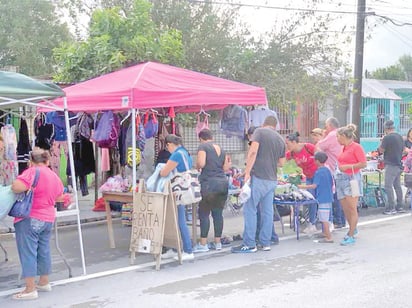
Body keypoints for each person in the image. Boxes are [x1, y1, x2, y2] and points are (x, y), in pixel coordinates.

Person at [11, 147, 64, 300]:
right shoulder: (54, 176)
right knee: (44, 250)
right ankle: (44, 282)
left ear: (31, 161)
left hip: (30, 217)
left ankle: (30, 289)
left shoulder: (32, 172)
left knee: (28, 252)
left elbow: (17, 187)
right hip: (48, 218)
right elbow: (59, 196)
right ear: (47, 161)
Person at [231, 116, 285, 253]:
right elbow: (281, 163)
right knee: (267, 212)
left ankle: (249, 244)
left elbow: (253, 151)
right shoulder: (280, 139)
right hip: (272, 179)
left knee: (250, 209)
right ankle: (265, 242)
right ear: (275, 125)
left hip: (259, 177)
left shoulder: (259, 132)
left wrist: (247, 172)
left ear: (263, 123)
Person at [193, 129, 230, 252]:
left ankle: (203, 243)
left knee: (204, 213)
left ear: (201, 138)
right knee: (218, 214)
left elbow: (201, 163)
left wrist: (196, 166)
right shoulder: (221, 149)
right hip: (223, 183)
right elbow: (226, 168)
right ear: (211, 137)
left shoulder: (203, 146)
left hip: (209, 184)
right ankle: (217, 242)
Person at [159, 134, 194, 261]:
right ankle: (174, 248)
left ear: (169, 144)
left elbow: (164, 172)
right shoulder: (185, 152)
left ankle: (188, 250)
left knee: (179, 220)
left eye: (167, 146)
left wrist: (160, 170)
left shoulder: (176, 154)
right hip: (184, 189)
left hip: (177, 191)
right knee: (177, 220)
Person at [335, 124, 367, 246]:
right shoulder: (344, 148)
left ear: (343, 136)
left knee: (352, 207)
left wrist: (349, 167)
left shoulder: (356, 147)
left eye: (338, 137)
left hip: (352, 178)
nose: (337, 140)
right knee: (345, 207)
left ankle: (351, 234)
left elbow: (363, 163)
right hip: (341, 178)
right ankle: (352, 227)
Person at [285, 132, 318, 234]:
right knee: (310, 199)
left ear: (294, 142)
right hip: (308, 177)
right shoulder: (291, 153)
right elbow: (281, 161)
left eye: (288, 143)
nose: (287, 146)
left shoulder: (308, 147)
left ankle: (317, 222)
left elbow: (320, 156)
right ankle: (312, 222)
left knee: (318, 199)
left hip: (317, 175)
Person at [298, 151, 334, 243]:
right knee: (324, 216)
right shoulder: (327, 170)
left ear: (317, 161)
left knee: (323, 218)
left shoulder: (318, 172)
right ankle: (325, 233)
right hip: (328, 196)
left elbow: (314, 186)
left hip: (322, 197)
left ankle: (329, 237)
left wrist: (302, 187)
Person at [317, 117, 345, 229]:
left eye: (326, 125)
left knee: (335, 196)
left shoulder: (332, 135)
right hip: (341, 168)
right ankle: (341, 219)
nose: (325, 128)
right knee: (341, 196)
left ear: (330, 126)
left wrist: (322, 137)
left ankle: (338, 220)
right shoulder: (340, 134)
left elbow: (319, 147)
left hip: (333, 168)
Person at [378, 120, 405, 214]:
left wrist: (381, 142)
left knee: (388, 186)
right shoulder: (400, 137)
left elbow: (381, 150)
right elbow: (404, 150)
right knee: (397, 186)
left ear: (386, 128)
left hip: (390, 164)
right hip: (398, 163)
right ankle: (400, 206)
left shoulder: (387, 138)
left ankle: (391, 207)